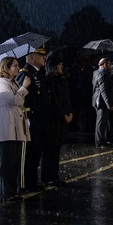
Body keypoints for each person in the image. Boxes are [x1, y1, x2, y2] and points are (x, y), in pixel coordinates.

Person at [0, 57, 29, 201]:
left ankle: (12, 191)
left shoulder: (12, 82)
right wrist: (24, 88)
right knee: (8, 161)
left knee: (14, 161)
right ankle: (4, 192)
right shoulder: (3, 83)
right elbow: (12, 101)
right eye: (14, 66)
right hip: (8, 124)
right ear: (6, 68)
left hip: (16, 124)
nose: (18, 68)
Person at [20, 45, 49, 191]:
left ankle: (32, 182)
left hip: (40, 119)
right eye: (40, 55)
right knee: (30, 154)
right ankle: (26, 183)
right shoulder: (26, 73)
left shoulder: (39, 73)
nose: (44, 57)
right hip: (32, 119)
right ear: (31, 57)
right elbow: (23, 97)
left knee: (37, 152)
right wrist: (27, 117)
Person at [42, 52, 73, 185]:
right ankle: (47, 177)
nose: (62, 68)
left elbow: (66, 98)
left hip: (62, 119)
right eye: (59, 65)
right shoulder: (49, 81)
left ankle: (54, 176)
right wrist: (63, 114)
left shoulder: (62, 80)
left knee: (56, 150)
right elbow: (53, 101)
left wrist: (70, 112)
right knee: (49, 150)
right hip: (54, 120)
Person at [92, 57, 113, 147]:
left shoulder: (97, 73)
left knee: (102, 122)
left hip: (100, 101)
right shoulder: (101, 74)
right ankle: (99, 141)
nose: (110, 66)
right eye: (109, 64)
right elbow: (103, 90)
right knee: (101, 122)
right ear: (104, 64)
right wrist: (108, 104)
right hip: (101, 102)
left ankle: (102, 140)